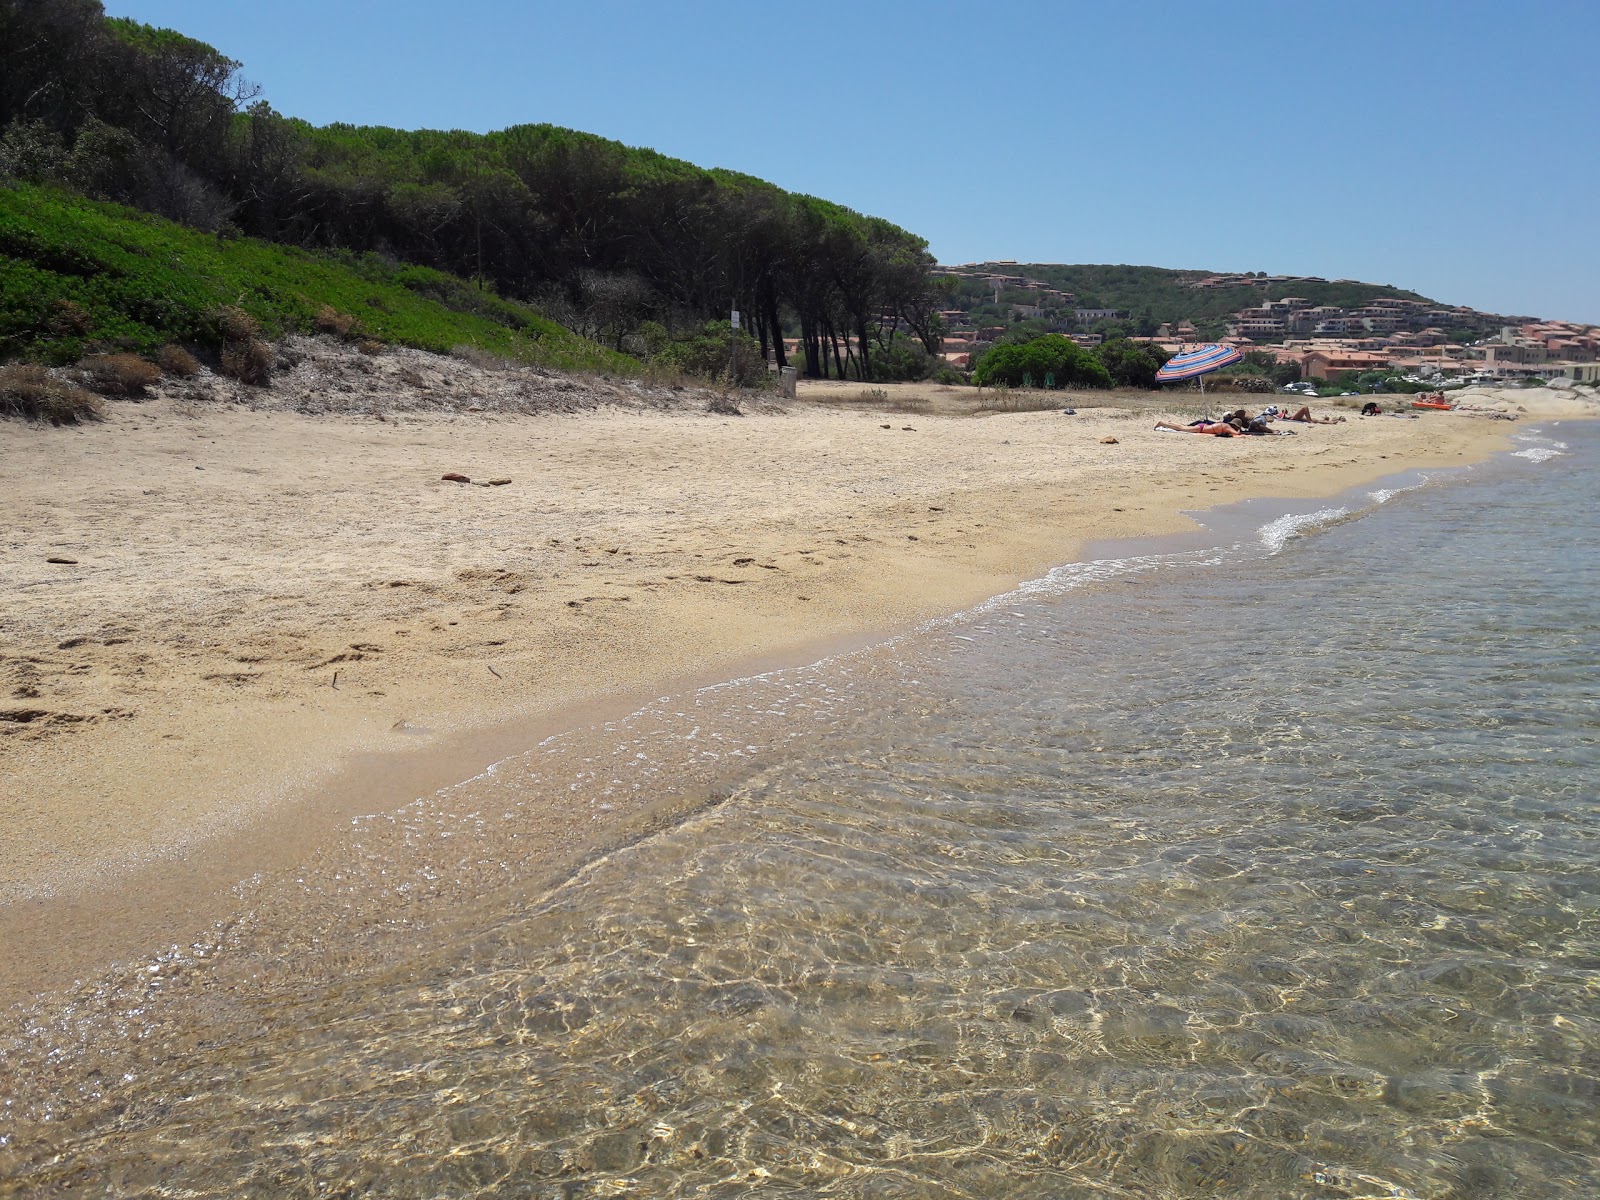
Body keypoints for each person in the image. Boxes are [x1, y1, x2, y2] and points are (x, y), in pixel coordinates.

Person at [1155, 420, 1237, 436]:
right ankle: (1163, 423)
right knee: (1182, 428)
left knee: (1184, 427)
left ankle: (1171, 423)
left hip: (1203, 426)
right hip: (1201, 429)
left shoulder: (1224, 424)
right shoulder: (1227, 427)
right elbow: (1237, 433)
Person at [1280, 406, 1344, 424]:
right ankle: (1309, 421)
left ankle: (1330, 422)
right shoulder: (1277, 414)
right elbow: (1282, 417)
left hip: (1295, 417)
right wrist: (1284, 413)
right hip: (1292, 418)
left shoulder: (1281, 413)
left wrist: (1285, 412)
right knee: (1305, 408)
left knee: (1316, 420)